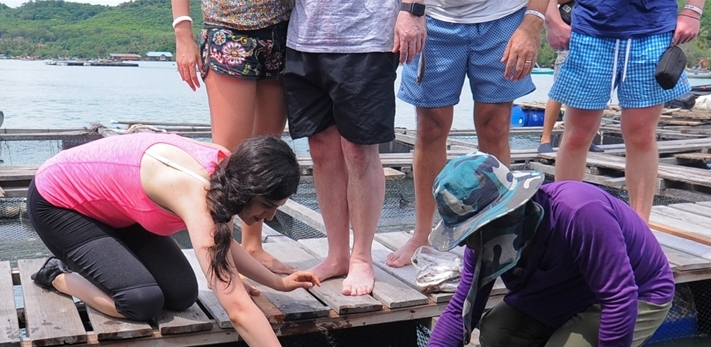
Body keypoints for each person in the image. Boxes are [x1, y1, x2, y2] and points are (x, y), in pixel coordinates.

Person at [26, 132, 339, 347]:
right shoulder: (198, 191)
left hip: (117, 210)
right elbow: (239, 311)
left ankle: (104, 259)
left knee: (182, 293)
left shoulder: (231, 173)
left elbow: (222, 243)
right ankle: (57, 274)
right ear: (248, 191)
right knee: (140, 301)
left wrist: (278, 281)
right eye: (267, 206)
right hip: (59, 204)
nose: (269, 217)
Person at [395, 152, 674, 347]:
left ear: (506, 212)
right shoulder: (481, 243)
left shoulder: (580, 212)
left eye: (473, 232)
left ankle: (615, 345)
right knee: (495, 335)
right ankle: (578, 338)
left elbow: (619, 298)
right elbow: (460, 310)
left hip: (638, 292)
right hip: (566, 290)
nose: (470, 244)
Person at [386, 0, 546, 268]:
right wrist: (411, 10)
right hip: (435, 16)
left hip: (503, 16)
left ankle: (498, 230)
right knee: (430, 127)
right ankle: (422, 233)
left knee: (495, 125)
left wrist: (532, 24)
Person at [282, 0, 427, 295]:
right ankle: (337, 255)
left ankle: (361, 255)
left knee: (360, 151)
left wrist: (414, 10)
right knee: (321, 149)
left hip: (368, 38)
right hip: (305, 37)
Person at [548, 0, 703, 222]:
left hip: (652, 27)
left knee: (641, 133)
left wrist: (693, 11)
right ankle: (563, 223)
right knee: (577, 135)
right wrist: (552, 18)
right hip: (591, 29)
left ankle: (641, 228)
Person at [172, 0, 295, 275]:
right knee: (226, 158)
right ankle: (222, 254)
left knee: (266, 156)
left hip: (282, 28)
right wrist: (183, 34)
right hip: (228, 28)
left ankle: (253, 246)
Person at [536, 0, 602, 156]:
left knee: (591, 95)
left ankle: (587, 139)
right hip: (569, 47)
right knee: (558, 93)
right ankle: (545, 139)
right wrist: (555, 24)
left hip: (594, 47)